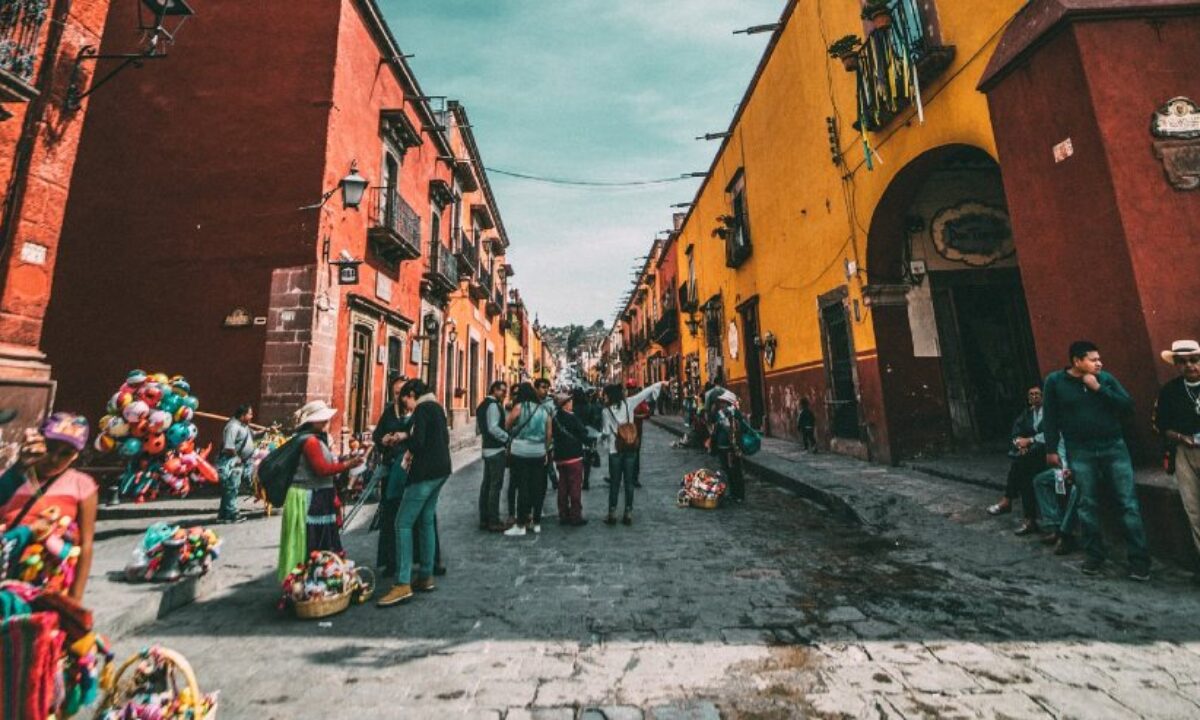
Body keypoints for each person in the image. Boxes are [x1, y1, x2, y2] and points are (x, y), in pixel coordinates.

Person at [1043, 340, 1150, 580]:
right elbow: (1050, 417)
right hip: (1080, 450)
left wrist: (1099, 389)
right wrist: (1051, 450)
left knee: (1128, 503)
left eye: (1099, 359)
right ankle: (1095, 555)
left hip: (1113, 447)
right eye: (1093, 360)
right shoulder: (1055, 382)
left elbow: (1128, 406)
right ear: (1077, 361)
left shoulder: (1105, 379)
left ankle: (1140, 561)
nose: (1099, 363)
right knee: (1087, 505)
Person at [0, 413, 96, 601]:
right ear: (38, 442)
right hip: (5, 576)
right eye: (50, 448)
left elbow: (86, 544)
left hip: (51, 583)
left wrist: (76, 598)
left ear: (76, 455)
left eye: (65, 453)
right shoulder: (9, 478)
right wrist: (19, 468)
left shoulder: (82, 485)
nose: (54, 459)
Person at [378, 380, 452, 607]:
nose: (407, 406)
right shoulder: (437, 407)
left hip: (424, 473)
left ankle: (402, 583)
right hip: (441, 470)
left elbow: (419, 442)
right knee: (426, 520)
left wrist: (407, 449)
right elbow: (436, 438)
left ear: (412, 394)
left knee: (402, 523)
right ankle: (426, 575)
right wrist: (404, 436)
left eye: (406, 400)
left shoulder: (421, 409)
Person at [276, 401, 364, 582]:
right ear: (313, 421)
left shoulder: (314, 439)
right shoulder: (310, 441)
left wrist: (343, 461)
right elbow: (322, 469)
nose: (327, 421)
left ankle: (316, 579)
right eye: (323, 418)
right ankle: (312, 579)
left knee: (316, 536)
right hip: (309, 494)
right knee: (313, 538)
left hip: (316, 492)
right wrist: (348, 464)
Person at [1153, 339, 1200, 583]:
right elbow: (1161, 425)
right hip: (1186, 453)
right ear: (1177, 365)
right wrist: (1182, 437)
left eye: (1194, 360)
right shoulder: (1170, 391)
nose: (1190, 365)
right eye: (1183, 362)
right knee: (1194, 509)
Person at [601, 380, 665, 526]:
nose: (603, 397)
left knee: (615, 484)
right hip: (630, 448)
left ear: (610, 396)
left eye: (605, 395)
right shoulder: (629, 403)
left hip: (614, 450)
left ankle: (612, 513)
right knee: (629, 483)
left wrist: (602, 441)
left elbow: (605, 432)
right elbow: (645, 393)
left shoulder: (605, 411)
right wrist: (660, 383)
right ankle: (628, 513)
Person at [987, 387, 1046, 535]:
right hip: (1030, 455)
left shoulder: (1050, 413)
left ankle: (1008, 501)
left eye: (1037, 394)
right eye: (1031, 395)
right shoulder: (1026, 414)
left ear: (1043, 396)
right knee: (1023, 468)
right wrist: (1019, 444)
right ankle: (1027, 518)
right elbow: (1016, 432)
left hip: (1046, 453)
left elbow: (1051, 433)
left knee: (1020, 467)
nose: (1034, 397)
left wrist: (1030, 441)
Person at [372, 377, 413, 576]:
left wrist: (405, 437)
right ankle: (391, 561)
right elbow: (377, 435)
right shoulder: (389, 412)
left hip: (412, 472)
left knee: (414, 516)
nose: (400, 397)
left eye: (403, 393)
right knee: (390, 515)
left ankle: (420, 559)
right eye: (396, 393)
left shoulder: (417, 412)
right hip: (391, 470)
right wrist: (384, 439)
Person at [504, 382, 553, 537]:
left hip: (520, 451)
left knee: (522, 487)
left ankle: (521, 524)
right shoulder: (544, 410)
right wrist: (545, 451)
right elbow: (549, 435)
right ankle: (536, 522)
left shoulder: (519, 407)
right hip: (538, 452)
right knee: (537, 487)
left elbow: (507, 425)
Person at [1033, 439, 1079, 555]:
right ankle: (1055, 526)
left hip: (1084, 469)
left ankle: (1066, 534)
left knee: (1076, 490)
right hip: (1066, 468)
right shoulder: (1062, 427)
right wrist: (1065, 469)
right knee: (1041, 480)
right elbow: (1061, 450)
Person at [553, 392, 590, 526]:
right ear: (565, 404)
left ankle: (563, 514)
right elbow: (583, 432)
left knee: (562, 486)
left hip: (560, 457)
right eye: (569, 401)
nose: (571, 403)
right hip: (574, 456)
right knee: (575, 486)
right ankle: (575, 516)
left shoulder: (555, 418)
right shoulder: (572, 417)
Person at [477, 380, 509, 532]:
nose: (504, 394)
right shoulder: (493, 405)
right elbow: (493, 428)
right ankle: (493, 520)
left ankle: (484, 519)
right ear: (494, 390)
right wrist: (507, 438)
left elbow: (480, 429)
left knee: (487, 485)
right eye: (502, 391)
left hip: (487, 449)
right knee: (494, 486)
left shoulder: (482, 405)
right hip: (495, 450)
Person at [216, 404, 257, 524]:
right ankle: (231, 513)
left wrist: (266, 431)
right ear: (243, 415)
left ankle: (223, 514)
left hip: (238, 461)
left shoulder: (243, 426)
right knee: (231, 488)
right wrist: (236, 457)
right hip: (231, 462)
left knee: (231, 488)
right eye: (249, 414)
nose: (251, 416)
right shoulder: (233, 427)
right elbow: (229, 446)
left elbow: (252, 435)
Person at [712, 391, 747, 503]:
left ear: (728, 402)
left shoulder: (735, 413)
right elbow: (716, 428)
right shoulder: (719, 413)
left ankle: (739, 495)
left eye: (724, 402)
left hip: (731, 448)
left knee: (735, 471)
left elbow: (740, 428)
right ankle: (733, 493)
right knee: (727, 471)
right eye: (721, 402)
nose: (721, 404)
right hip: (721, 447)